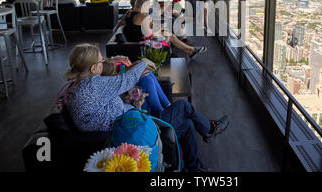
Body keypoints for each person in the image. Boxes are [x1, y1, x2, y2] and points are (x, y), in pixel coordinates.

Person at [63, 43, 230, 171]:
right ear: (93, 68)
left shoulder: (76, 88)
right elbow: (126, 80)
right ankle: (210, 129)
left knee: (187, 125)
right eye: (101, 61)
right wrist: (143, 63)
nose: (104, 62)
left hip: (126, 125)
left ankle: (194, 166)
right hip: (131, 132)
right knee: (183, 106)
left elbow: (100, 110)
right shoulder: (92, 84)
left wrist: (127, 102)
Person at [123, 0, 207, 59]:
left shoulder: (129, 13)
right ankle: (191, 50)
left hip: (133, 39)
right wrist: (160, 29)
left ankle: (190, 51)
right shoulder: (142, 16)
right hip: (141, 43)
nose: (148, 8)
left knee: (170, 34)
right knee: (170, 36)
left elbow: (139, 28)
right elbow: (151, 35)